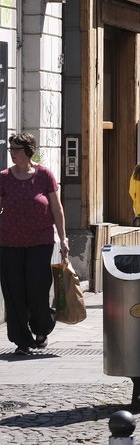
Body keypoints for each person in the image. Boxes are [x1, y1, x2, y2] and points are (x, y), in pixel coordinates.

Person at [0, 133, 68, 355]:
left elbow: (57, 209)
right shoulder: (3, 178)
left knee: (37, 288)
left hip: (40, 241)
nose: (12, 153)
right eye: (11, 149)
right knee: (14, 291)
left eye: (16, 149)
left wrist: (63, 238)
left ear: (28, 151)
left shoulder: (44, 175)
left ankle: (41, 329)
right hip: (9, 242)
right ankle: (22, 340)